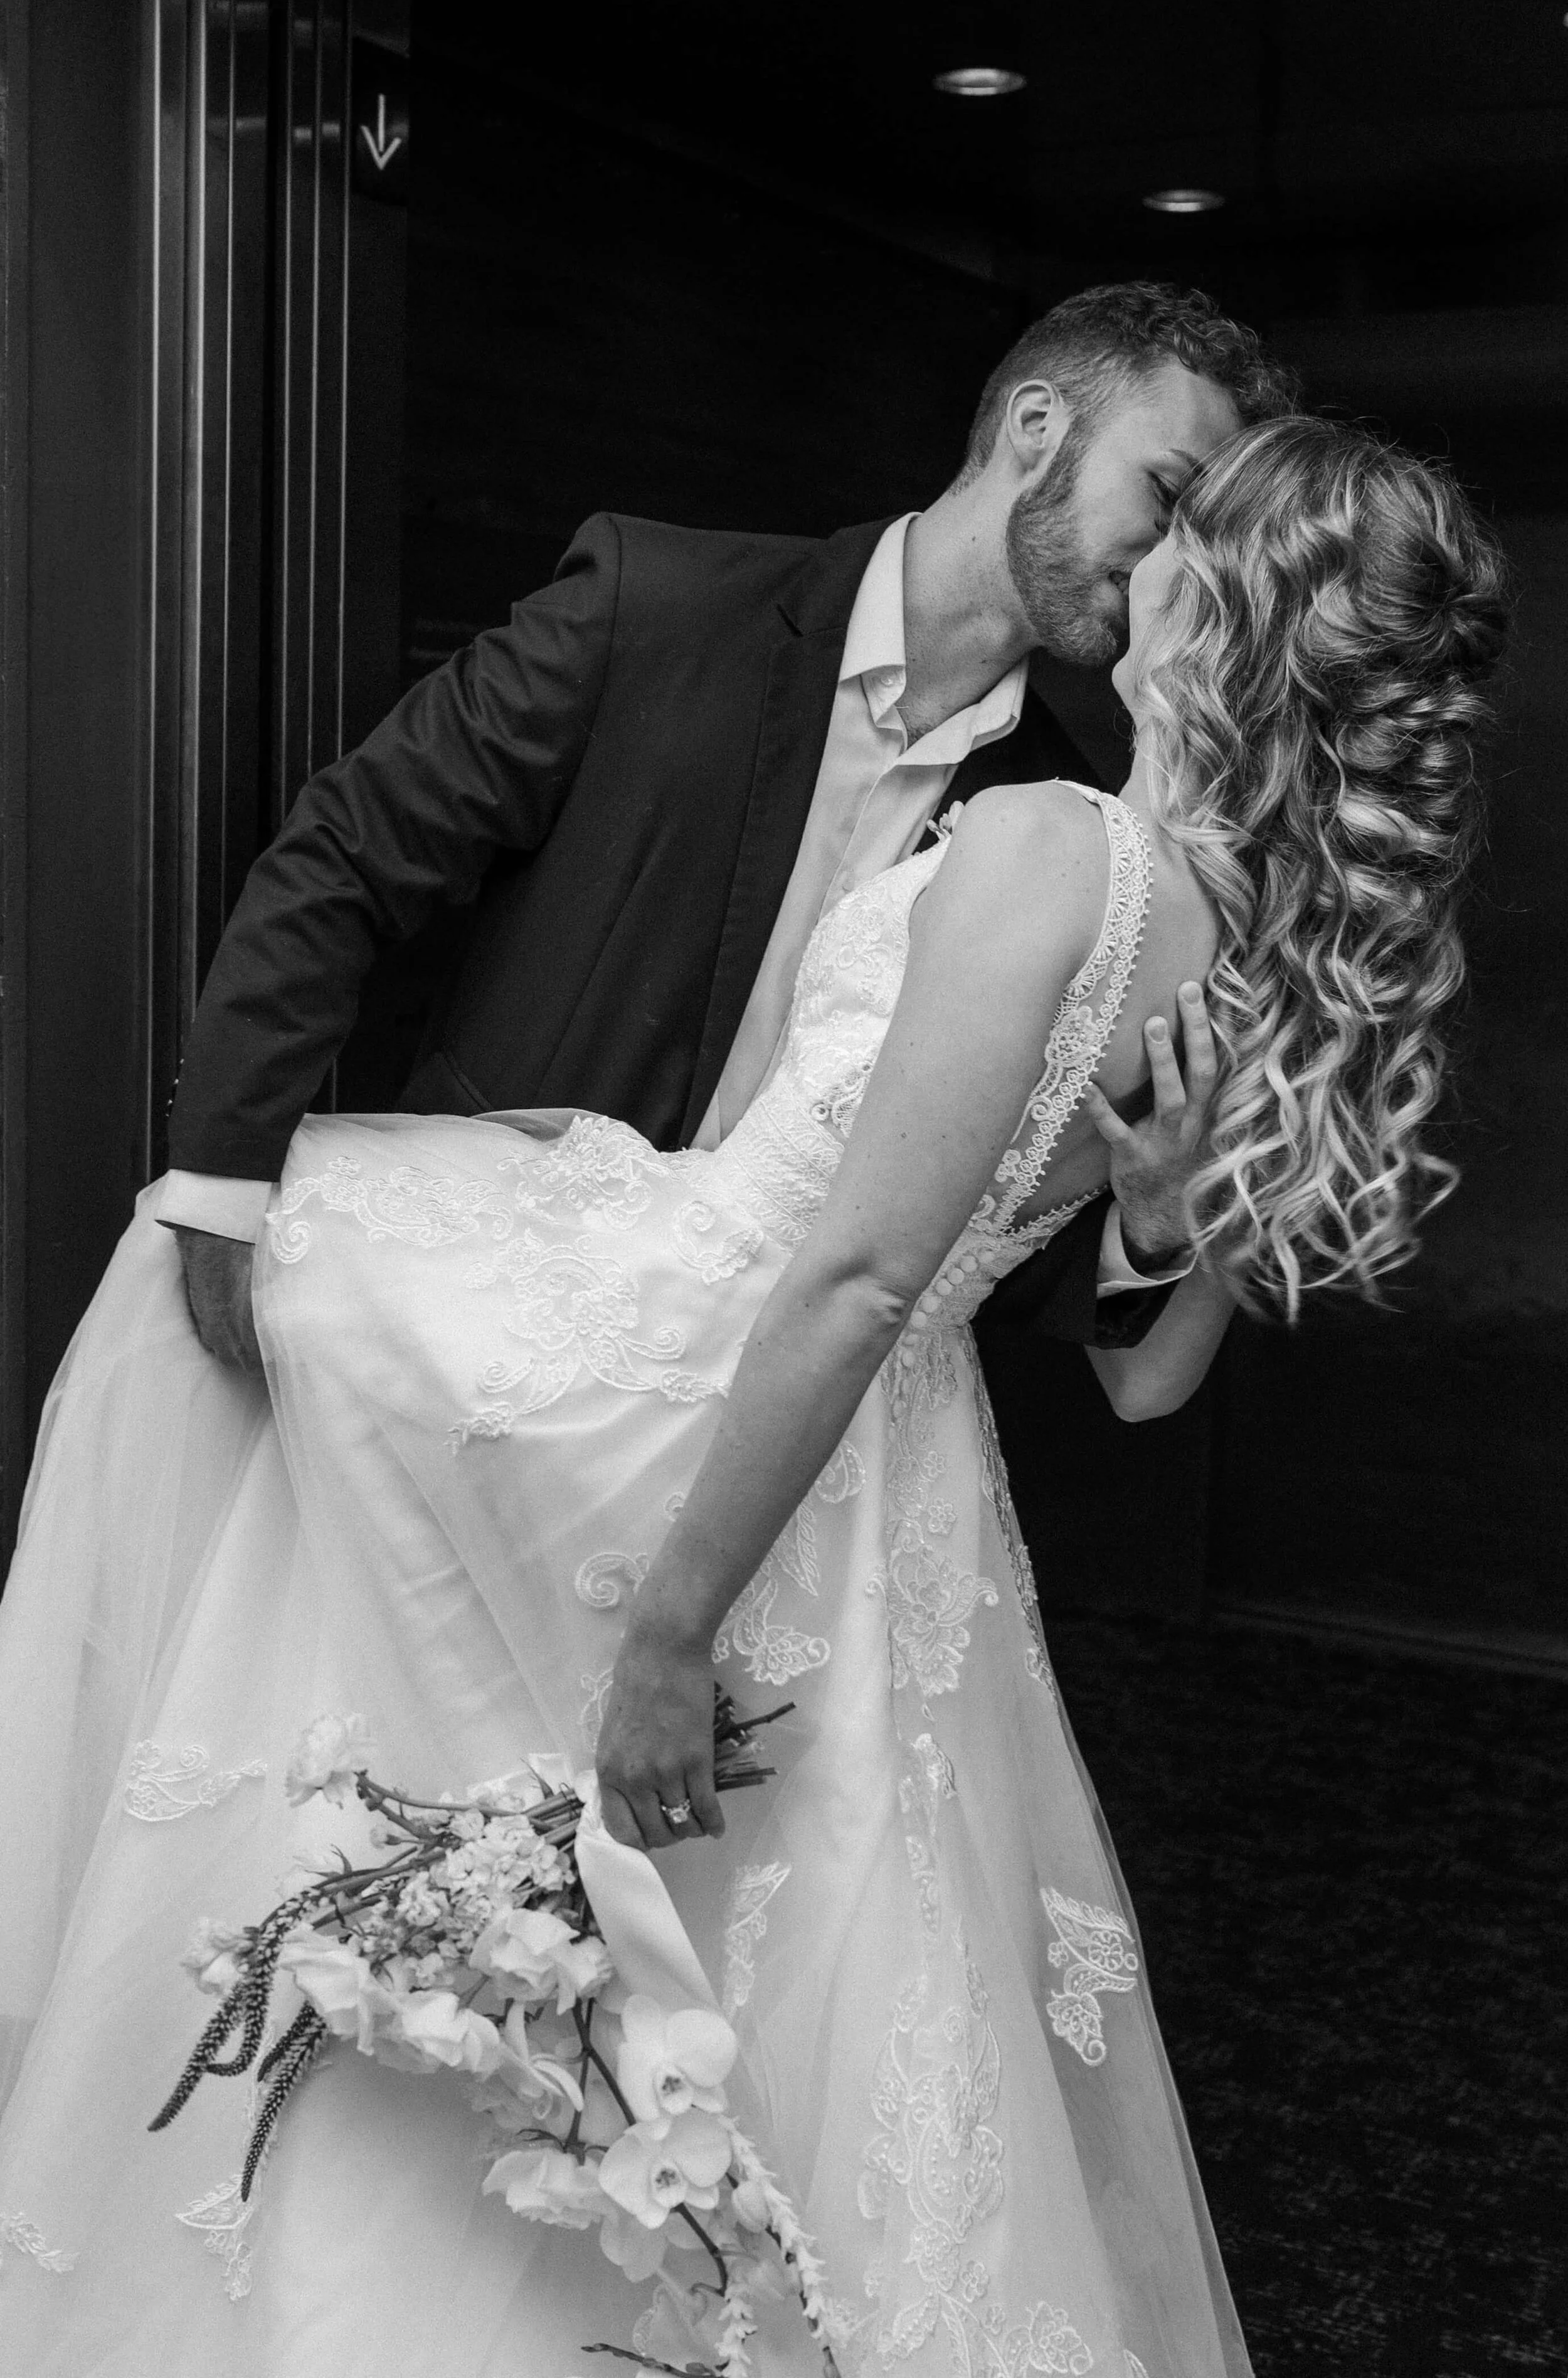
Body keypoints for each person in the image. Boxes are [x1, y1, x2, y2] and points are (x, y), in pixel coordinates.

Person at [0, 417, 1507, 2375]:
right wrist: (1147, 1207)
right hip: (893, 1474)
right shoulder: (1268, 953)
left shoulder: (1057, 849)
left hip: (719, 1394)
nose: (1142, 570)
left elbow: (863, 1271)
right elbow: (1146, 1385)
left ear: (1220, 616)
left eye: (1185, 546)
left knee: (243, 1313)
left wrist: (671, 1630)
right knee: (771, 1954)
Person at [164, 284, 1300, 1408]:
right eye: (1169, 494)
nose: (1177, 561)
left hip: (757, 1436)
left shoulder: (1062, 821)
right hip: (458, 1333)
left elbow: (962, 1221)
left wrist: (1150, 1233)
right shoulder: (650, 609)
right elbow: (348, 855)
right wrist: (223, 1187)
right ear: (1037, 426)